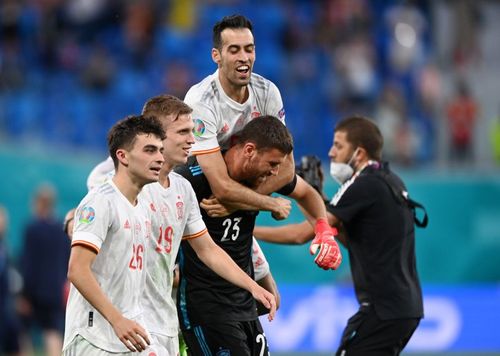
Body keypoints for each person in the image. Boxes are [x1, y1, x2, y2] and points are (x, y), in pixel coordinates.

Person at [255, 116, 424, 355]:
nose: (331, 153)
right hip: (400, 306)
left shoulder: (364, 185)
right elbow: (347, 236)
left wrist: (249, 231)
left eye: (338, 145)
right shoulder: (387, 180)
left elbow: (303, 233)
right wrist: (316, 196)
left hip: (384, 308)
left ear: (360, 153)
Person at [175, 116, 342, 355]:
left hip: (245, 305)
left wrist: (324, 231)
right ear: (249, 150)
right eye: (273, 163)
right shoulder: (192, 179)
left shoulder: (259, 178)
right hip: (206, 308)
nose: (276, 172)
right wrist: (271, 204)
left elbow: (308, 194)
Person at [62, 115, 166, 355]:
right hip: (93, 338)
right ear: (123, 156)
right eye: (150, 150)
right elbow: (77, 270)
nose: (159, 158)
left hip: (128, 335)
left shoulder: (141, 207)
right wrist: (117, 320)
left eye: (160, 150)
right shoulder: (101, 200)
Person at [18, 183, 70, 356]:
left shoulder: (32, 229)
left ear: (38, 202)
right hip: (55, 290)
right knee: (52, 332)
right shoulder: (61, 229)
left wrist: (24, 294)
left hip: (34, 292)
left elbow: (28, 264)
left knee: (23, 332)